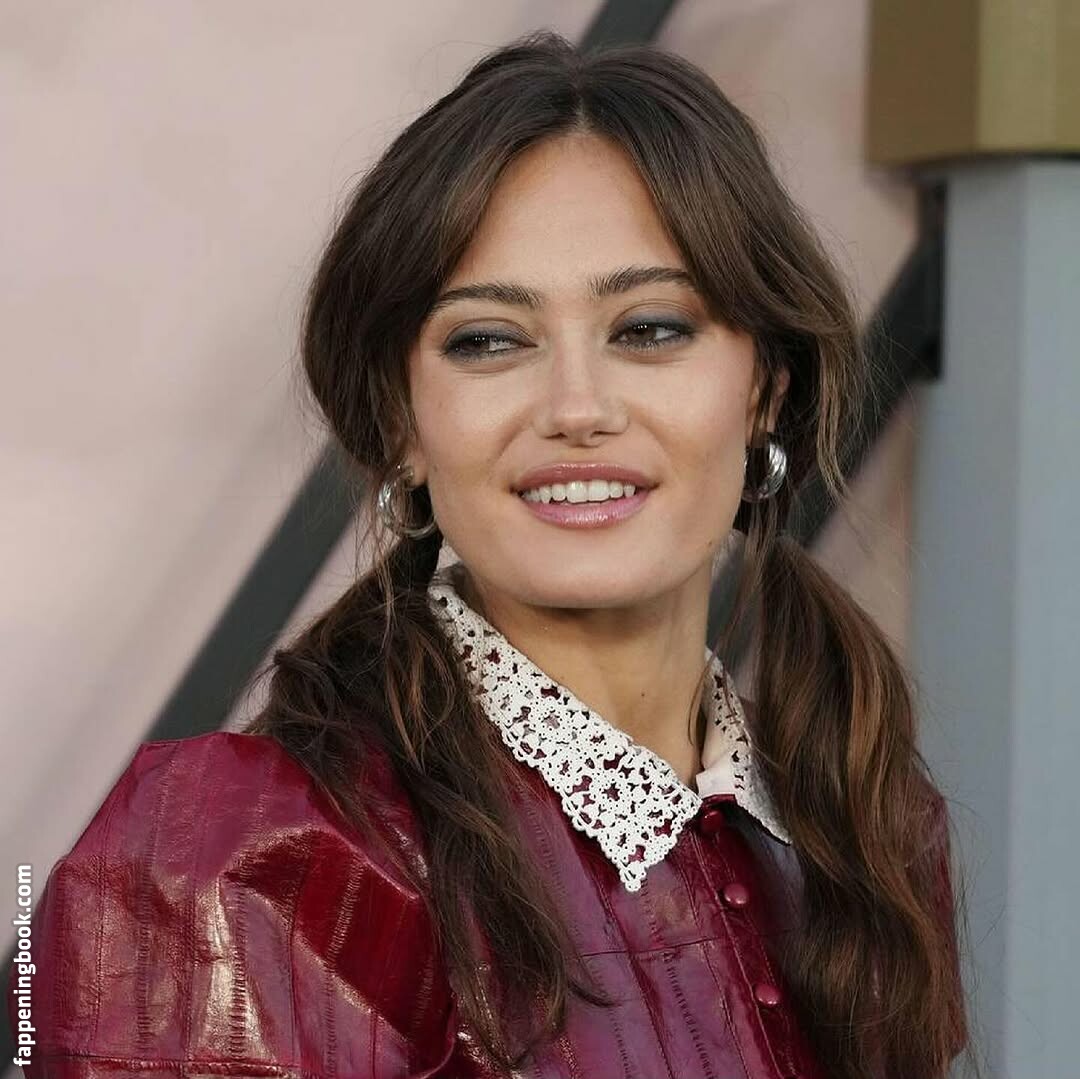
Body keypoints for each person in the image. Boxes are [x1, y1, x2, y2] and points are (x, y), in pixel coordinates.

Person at [10, 29, 972, 1079]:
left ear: (764, 391)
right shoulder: (237, 861)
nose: (577, 408)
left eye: (650, 328)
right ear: (402, 421)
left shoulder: (862, 825)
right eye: (488, 340)